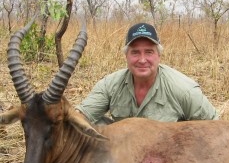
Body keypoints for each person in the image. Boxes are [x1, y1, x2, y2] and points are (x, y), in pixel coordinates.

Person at [76, 22, 219, 124]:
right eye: (135, 52)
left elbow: (215, 126)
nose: (142, 60)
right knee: (88, 126)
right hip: (123, 153)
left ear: (159, 55)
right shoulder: (109, 85)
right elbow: (79, 117)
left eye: (149, 52)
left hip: (167, 155)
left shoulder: (184, 89)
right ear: (126, 56)